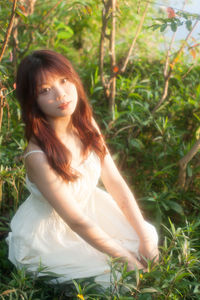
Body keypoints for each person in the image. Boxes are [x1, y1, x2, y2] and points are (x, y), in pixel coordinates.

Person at [6, 49, 158, 286]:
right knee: (116, 277)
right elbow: (75, 220)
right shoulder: (36, 155)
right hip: (51, 236)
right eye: (45, 90)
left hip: (94, 211)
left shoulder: (85, 125)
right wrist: (125, 258)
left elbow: (114, 181)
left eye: (64, 81)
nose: (61, 94)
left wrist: (144, 238)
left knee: (147, 238)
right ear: (32, 101)